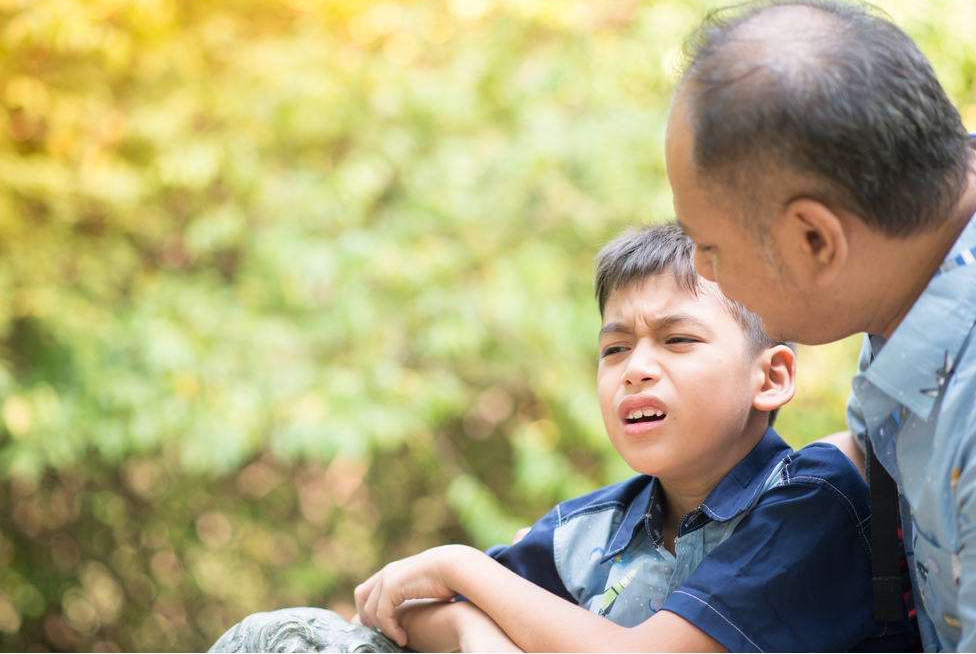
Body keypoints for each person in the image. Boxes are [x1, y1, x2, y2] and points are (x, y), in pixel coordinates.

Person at [353, 223, 912, 652]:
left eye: (678, 339)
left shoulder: (812, 501)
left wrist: (461, 566)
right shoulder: (586, 531)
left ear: (770, 377)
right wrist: (467, 626)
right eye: (615, 348)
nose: (635, 368)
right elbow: (396, 608)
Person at [665, 0, 976, 652]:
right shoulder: (916, 272)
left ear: (815, 240)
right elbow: (879, 449)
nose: (703, 271)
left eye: (711, 247)